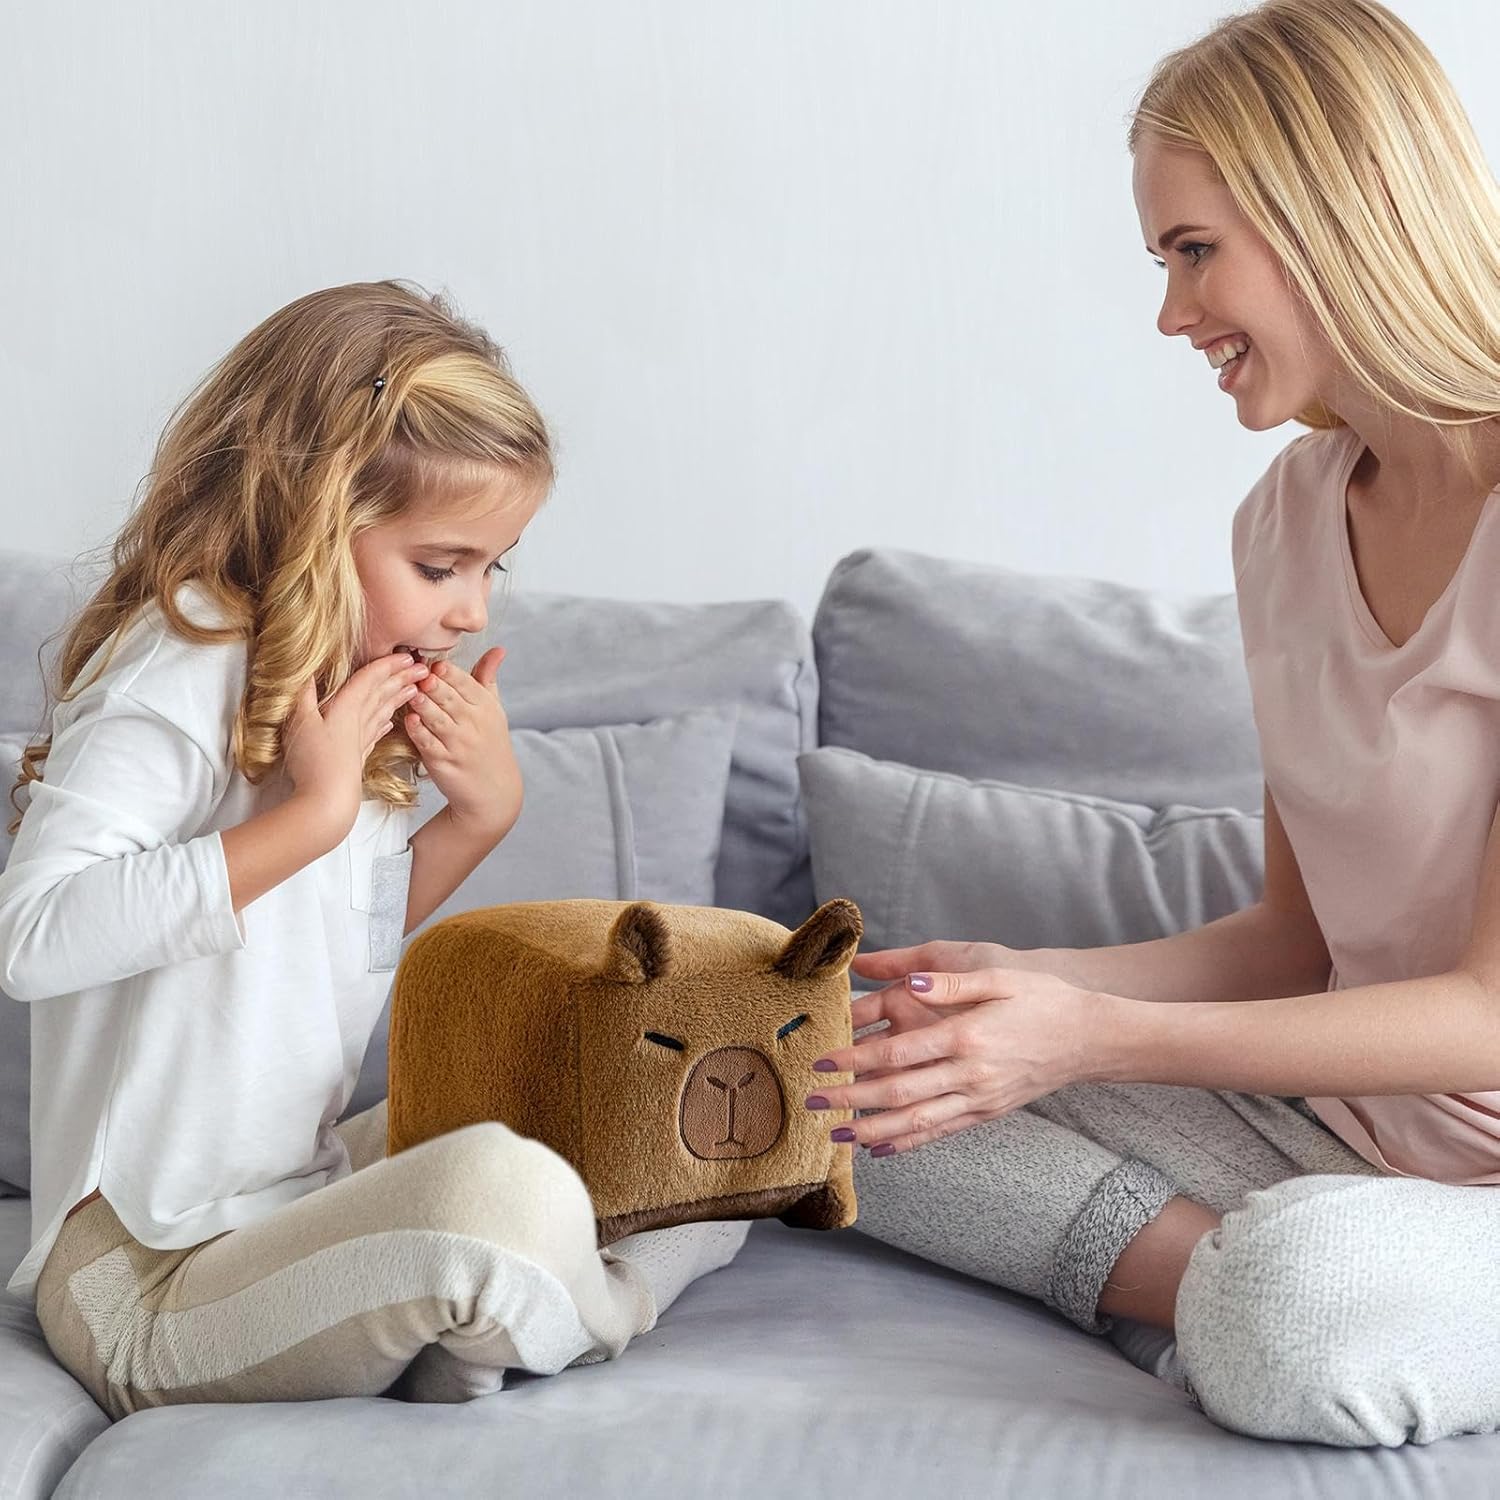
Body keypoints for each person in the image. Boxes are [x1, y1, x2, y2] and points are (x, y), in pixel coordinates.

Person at [798, 0, 1500, 1448]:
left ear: (1335, 210)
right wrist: (1025, 991)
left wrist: (1089, 1038)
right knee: (829, 1084)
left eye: (1193, 252)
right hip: (1332, 1137)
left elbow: (1490, 1013)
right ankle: (1215, 1290)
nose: (1174, 316)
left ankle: (1234, 1296)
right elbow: (1291, 944)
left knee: (1299, 1306)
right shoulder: (1284, 523)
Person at [0, 279, 746, 1418]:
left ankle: (463, 1314)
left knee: (665, 1088)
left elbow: (325, 947)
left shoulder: (351, 682)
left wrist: (478, 819)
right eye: (440, 567)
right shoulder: (181, 661)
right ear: (313, 522)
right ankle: (585, 1302)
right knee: (498, 1195)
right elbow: (33, 938)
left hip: (295, 1203)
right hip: (141, 1277)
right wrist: (309, 817)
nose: (473, 611)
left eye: (493, 567)